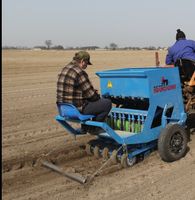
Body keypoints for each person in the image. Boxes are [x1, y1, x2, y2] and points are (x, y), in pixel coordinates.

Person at [56, 51, 112, 134]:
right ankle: (95, 129)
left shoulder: (64, 69)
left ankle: (85, 128)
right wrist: (98, 96)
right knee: (106, 103)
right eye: (86, 64)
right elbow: (92, 95)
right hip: (77, 109)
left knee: (86, 101)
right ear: (82, 61)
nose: (86, 66)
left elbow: (74, 91)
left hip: (64, 108)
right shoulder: (79, 72)